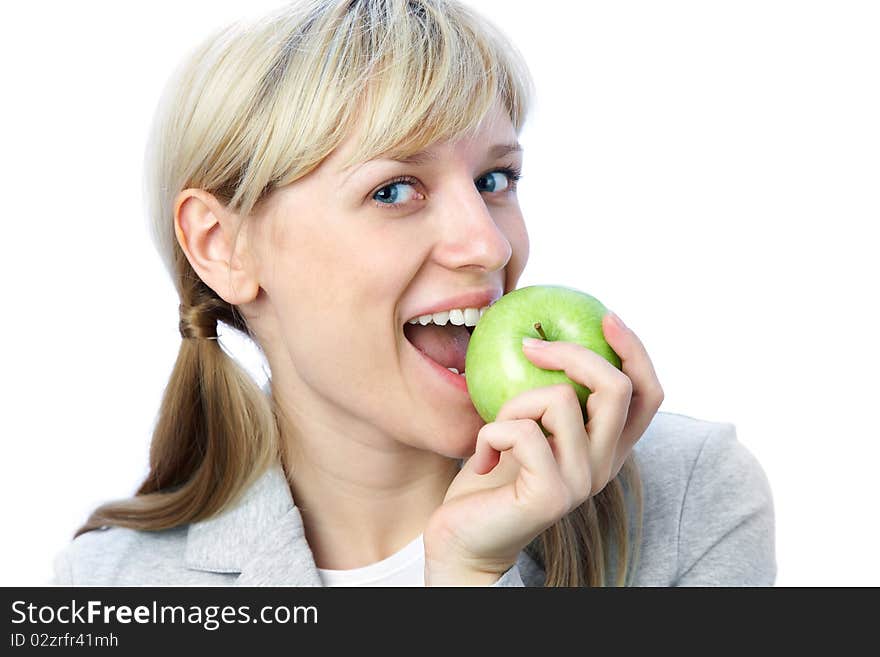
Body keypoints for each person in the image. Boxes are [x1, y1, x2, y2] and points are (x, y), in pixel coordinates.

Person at [50, 0, 775, 587]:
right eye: (395, 189)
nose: (489, 245)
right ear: (223, 246)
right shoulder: (112, 585)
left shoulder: (690, 500)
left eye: (496, 180)